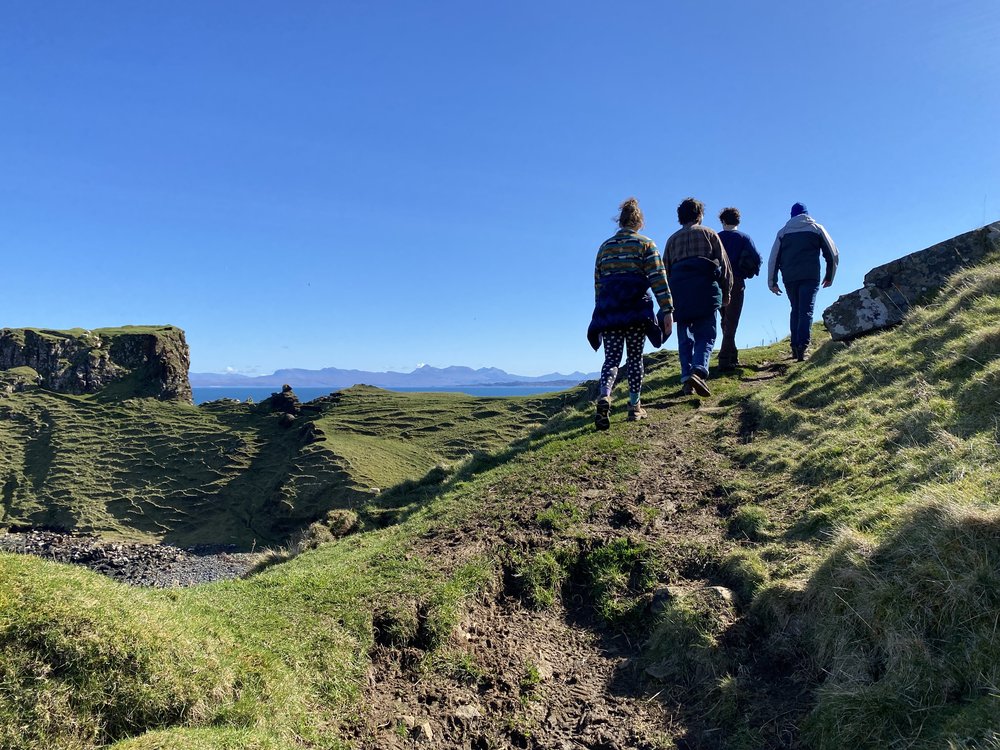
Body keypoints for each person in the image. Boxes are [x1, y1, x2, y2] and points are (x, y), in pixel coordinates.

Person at [588, 197, 674, 429]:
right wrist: (667, 310)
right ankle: (634, 407)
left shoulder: (605, 248)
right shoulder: (646, 244)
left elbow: (599, 284)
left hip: (610, 312)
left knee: (611, 359)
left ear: (620, 220)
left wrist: (601, 312)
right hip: (636, 311)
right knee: (635, 358)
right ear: (639, 222)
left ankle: (605, 394)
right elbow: (658, 279)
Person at [663, 198, 734, 397]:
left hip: (681, 297)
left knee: (685, 338)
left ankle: (687, 379)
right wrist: (726, 292)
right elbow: (725, 266)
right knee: (707, 334)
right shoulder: (709, 234)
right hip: (705, 292)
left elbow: (665, 273)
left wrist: (667, 304)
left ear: (680, 217)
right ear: (699, 215)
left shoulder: (672, 240)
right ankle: (698, 371)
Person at [767, 203, 839, 361]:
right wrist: (830, 275)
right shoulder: (816, 228)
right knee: (806, 310)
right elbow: (832, 253)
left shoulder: (783, 232)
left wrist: (772, 282)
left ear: (791, 215)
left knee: (795, 309)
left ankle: (794, 347)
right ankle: (802, 347)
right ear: (807, 213)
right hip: (810, 275)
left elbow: (774, 258)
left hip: (790, 277)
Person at [717, 207, 761, 370]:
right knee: (732, 320)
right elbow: (756, 258)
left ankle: (731, 355)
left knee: (725, 320)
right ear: (738, 221)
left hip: (719, 282)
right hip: (737, 281)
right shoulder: (744, 238)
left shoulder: (716, 237)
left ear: (723, 221)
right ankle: (724, 359)